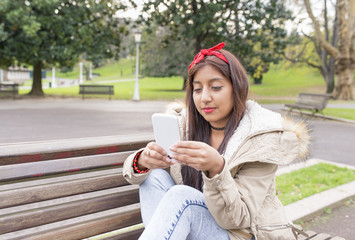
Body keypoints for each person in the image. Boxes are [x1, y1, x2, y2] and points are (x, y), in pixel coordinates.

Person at [123, 42, 310, 240]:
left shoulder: (261, 139)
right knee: (154, 177)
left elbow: (238, 219)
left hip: (239, 234)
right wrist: (143, 161)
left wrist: (217, 169)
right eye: (197, 89)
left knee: (181, 196)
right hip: (193, 226)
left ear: (236, 89)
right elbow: (138, 173)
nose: (204, 98)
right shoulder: (184, 126)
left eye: (216, 87)